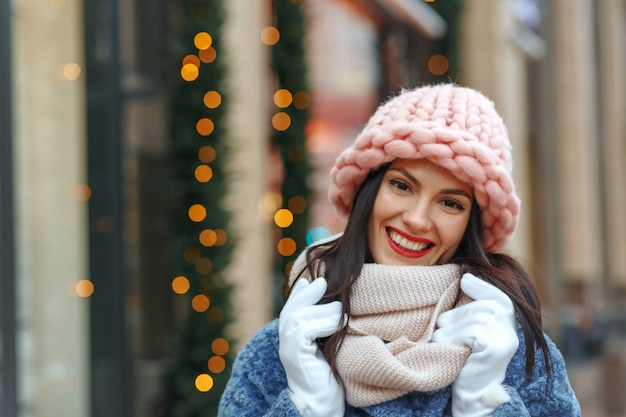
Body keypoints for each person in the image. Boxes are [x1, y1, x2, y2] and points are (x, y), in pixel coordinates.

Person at [218, 84, 581, 416]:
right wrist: (308, 407)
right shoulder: (280, 350)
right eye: (401, 185)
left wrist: (483, 403)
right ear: (367, 190)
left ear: (472, 224)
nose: (418, 220)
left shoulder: (519, 356)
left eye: (451, 203)